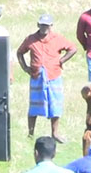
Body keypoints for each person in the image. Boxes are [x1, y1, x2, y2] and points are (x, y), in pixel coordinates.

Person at [17, 14, 79, 142]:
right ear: (38, 25)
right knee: (34, 105)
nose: (44, 28)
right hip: (37, 76)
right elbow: (20, 52)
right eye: (42, 25)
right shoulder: (31, 39)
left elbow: (73, 49)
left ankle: (55, 133)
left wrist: (61, 60)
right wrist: (25, 67)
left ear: (51, 26)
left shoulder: (58, 38)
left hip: (53, 75)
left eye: (47, 25)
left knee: (55, 104)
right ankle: (30, 134)